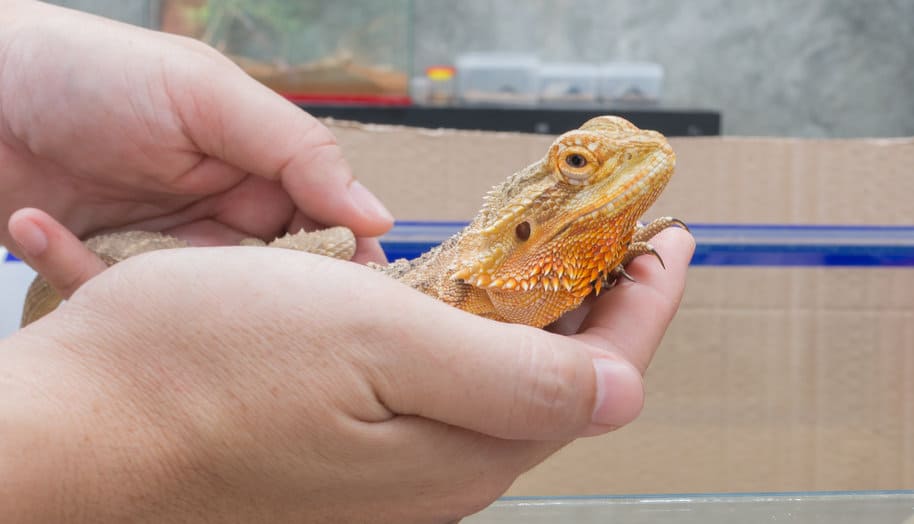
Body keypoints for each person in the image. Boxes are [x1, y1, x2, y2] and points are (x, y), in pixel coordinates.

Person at [0, 1, 695, 522]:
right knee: (334, 243)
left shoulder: (524, 275)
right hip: (267, 281)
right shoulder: (460, 292)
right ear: (521, 225)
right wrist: (119, 415)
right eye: (579, 165)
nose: (649, 152)